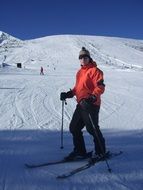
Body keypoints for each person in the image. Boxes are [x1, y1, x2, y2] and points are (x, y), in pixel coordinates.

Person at [60, 47, 106, 161]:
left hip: (91, 104)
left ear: (89, 58)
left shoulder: (95, 71)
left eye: (85, 57)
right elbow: (77, 88)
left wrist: (93, 96)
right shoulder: (80, 72)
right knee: (74, 128)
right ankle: (80, 151)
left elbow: (100, 86)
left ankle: (101, 152)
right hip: (81, 104)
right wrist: (68, 94)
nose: (83, 59)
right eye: (81, 58)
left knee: (92, 129)